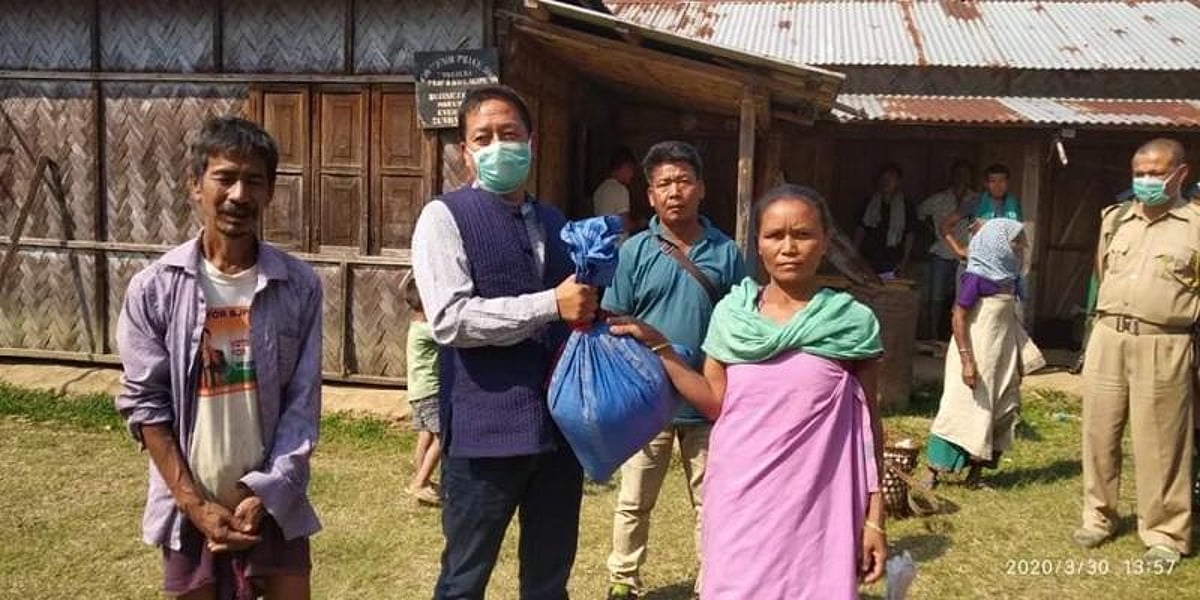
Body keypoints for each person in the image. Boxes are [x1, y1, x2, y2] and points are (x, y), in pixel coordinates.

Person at [612, 184, 887, 599]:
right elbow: (715, 403)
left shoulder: (850, 323)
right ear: (757, 245)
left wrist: (874, 518)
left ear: (825, 242)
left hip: (819, 509)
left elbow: (870, 432)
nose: (789, 247)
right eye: (775, 236)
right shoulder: (732, 316)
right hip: (741, 501)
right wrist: (661, 348)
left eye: (803, 234)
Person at [114, 116, 322, 600]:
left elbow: (302, 401)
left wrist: (267, 491)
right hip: (190, 511)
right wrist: (194, 505)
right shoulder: (156, 288)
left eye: (254, 181)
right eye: (224, 177)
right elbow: (147, 407)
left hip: (274, 505)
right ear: (195, 185)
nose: (238, 194)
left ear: (269, 192)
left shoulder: (299, 286)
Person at [411, 84, 599, 599]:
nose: (499, 146)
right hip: (483, 436)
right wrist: (549, 305)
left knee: (548, 579)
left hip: (559, 435)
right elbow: (449, 319)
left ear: (531, 142)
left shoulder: (558, 221)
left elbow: (576, 312)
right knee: (464, 579)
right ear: (466, 153)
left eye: (510, 134)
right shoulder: (443, 218)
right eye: (484, 137)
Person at [603, 141, 745, 600]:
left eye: (684, 181)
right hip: (648, 403)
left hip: (707, 402)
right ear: (650, 195)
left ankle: (713, 583)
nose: (675, 192)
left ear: (701, 188)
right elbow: (613, 319)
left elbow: (743, 326)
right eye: (664, 183)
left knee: (713, 505)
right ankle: (623, 579)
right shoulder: (634, 252)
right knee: (633, 501)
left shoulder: (727, 253)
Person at [1074, 138, 1198, 568]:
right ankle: (1098, 515)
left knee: (1162, 441)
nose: (1145, 181)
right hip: (1108, 334)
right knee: (1098, 433)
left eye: (1155, 173)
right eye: (1139, 173)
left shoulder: (1194, 225)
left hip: (1164, 342)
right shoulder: (1116, 219)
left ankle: (1165, 532)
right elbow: (1101, 270)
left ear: (1180, 174)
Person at [921, 218, 1037, 490]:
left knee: (1000, 409)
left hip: (1001, 355)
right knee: (960, 409)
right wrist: (967, 361)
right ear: (998, 244)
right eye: (1015, 241)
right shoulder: (977, 277)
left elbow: (1008, 320)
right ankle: (934, 472)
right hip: (975, 353)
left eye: (1020, 241)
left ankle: (976, 476)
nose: (1020, 246)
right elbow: (958, 317)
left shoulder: (1010, 278)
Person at [917, 159, 974, 342]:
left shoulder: (976, 200)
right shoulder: (938, 199)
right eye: (958, 174)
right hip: (942, 251)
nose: (961, 178)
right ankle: (934, 335)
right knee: (936, 297)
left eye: (965, 174)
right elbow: (919, 214)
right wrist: (932, 232)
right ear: (952, 176)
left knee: (962, 298)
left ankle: (957, 336)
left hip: (966, 254)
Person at [404, 276, 442, 508]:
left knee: (426, 435)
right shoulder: (428, 330)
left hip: (417, 392)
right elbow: (448, 333)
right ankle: (420, 482)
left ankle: (421, 480)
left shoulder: (415, 328)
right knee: (443, 435)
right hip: (430, 391)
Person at [940, 163, 1023, 260]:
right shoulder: (976, 202)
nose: (998, 185)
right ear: (986, 184)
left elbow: (1018, 235)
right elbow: (945, 225)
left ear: (1008, 183)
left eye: (1002, 181)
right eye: (993, 181)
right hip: (978, 265)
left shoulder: (1013, 204)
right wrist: (958, 250)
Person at [854, 163, 914, 278]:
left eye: (890, 179)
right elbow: (861, 229)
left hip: (893, 258)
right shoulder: (870, 203)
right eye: (883, 179)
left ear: (898, 182)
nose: (885, 182)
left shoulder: (906, 206)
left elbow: (910, 235)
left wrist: (905, 261)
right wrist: (855, 254)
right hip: (869, 256)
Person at [593, 147, 642, 235]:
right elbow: (625, 225)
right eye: (632, 170)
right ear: (625, 167)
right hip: (618, 245)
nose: (632, 175)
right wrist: (641, 224)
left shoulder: (599, 190)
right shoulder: (620, 190)